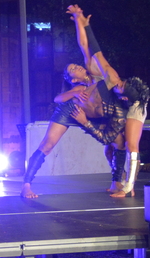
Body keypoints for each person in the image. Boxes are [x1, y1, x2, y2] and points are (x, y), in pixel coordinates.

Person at [20, 27, 128, 199]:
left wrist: (80, 21)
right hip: (70, 110)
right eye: (72, 70)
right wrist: (74, 93)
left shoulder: (94, 72)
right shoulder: (77, 88)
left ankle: (116, 181)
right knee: (47, 145)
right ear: (72, 80)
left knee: (119, 142)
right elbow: (57, 99)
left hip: (94, 115)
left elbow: (85, 47)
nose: (76, 66)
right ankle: (26, 185)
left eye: (75, 65)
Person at [68, 5, 150, 197]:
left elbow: (91, 49)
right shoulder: (94, 73)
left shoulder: (110, 78)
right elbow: (90, 48)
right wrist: (82, 22)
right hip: (115, 111)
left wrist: (83, 23)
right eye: (74, 70)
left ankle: (128, 187)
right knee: (109, 151)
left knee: (131, 145)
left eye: (76, 67)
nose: (80, 67)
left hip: (133, 108)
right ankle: (119, 180)